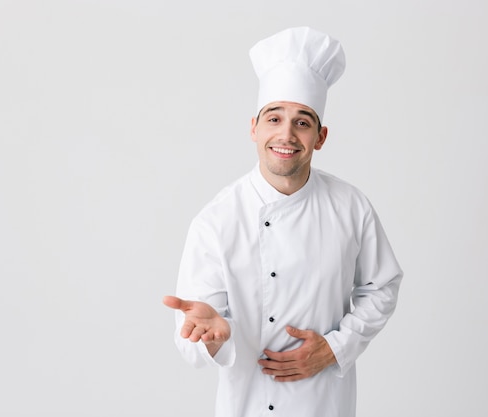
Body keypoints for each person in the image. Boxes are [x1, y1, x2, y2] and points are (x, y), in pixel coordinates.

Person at [163, 26, 403, 417]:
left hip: (325, 403)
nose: (286, 135)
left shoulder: (350, 206)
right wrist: (213, 336)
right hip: (248, 406)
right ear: (254, 128)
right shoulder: (216, 220)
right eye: (274, 119)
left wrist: (336, 347)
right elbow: (191, 340)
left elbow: (383, 286)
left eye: (303, 122)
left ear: (321, 136)